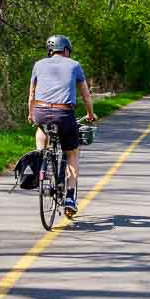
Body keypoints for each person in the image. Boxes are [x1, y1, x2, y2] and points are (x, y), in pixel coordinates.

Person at [28, 35, 96, 217]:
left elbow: (32, 94)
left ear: (50, 51)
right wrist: (90, 114)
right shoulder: (74, 65)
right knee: (72, 153)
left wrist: (31, 114)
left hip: (41, 112)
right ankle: (70, 197)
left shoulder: (38, 64)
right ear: (66, 50)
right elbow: (86, 96)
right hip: (64, 114)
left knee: (40, 129)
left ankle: (40, 158)